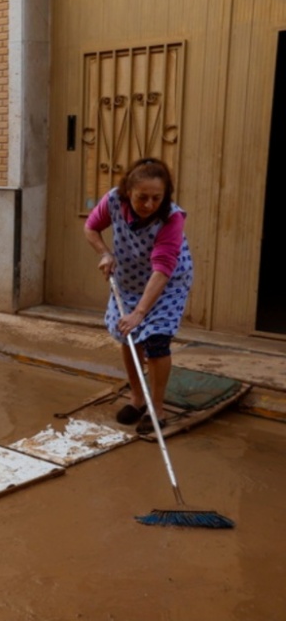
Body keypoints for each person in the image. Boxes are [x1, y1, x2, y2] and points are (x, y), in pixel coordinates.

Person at [83, 158, 194, 434]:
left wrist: (140, 312)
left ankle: (157, 408)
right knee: (129, 335)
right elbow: (91, 227)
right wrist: (104, 253)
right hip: (130, 278)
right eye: (142, 197)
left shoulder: (171, 217)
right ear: (128, 192)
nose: (149, 204)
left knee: (156, 341)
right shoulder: (113, 200)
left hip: (166, 282)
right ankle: (137, 398)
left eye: (156, 198)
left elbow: (163, 268)